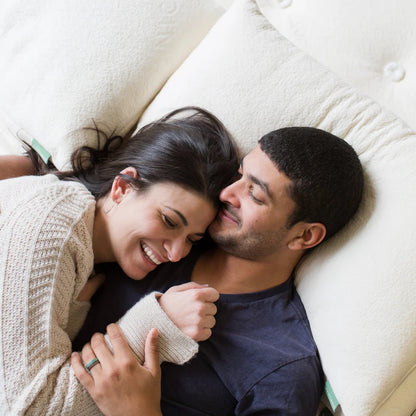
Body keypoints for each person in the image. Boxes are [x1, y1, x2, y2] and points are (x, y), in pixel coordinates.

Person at [74, 126, 364, 415]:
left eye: (254, 194)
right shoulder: (165, 235)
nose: (226, 193)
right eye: (239, 175)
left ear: (304, 236)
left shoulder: (281, 369)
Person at [0, 107, 239, 415]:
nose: (176, 253)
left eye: (191, 239)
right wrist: (155, 326)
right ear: (122, 188)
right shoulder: (52, 229)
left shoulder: (87, 253)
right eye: (168, 221)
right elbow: (27, 408)